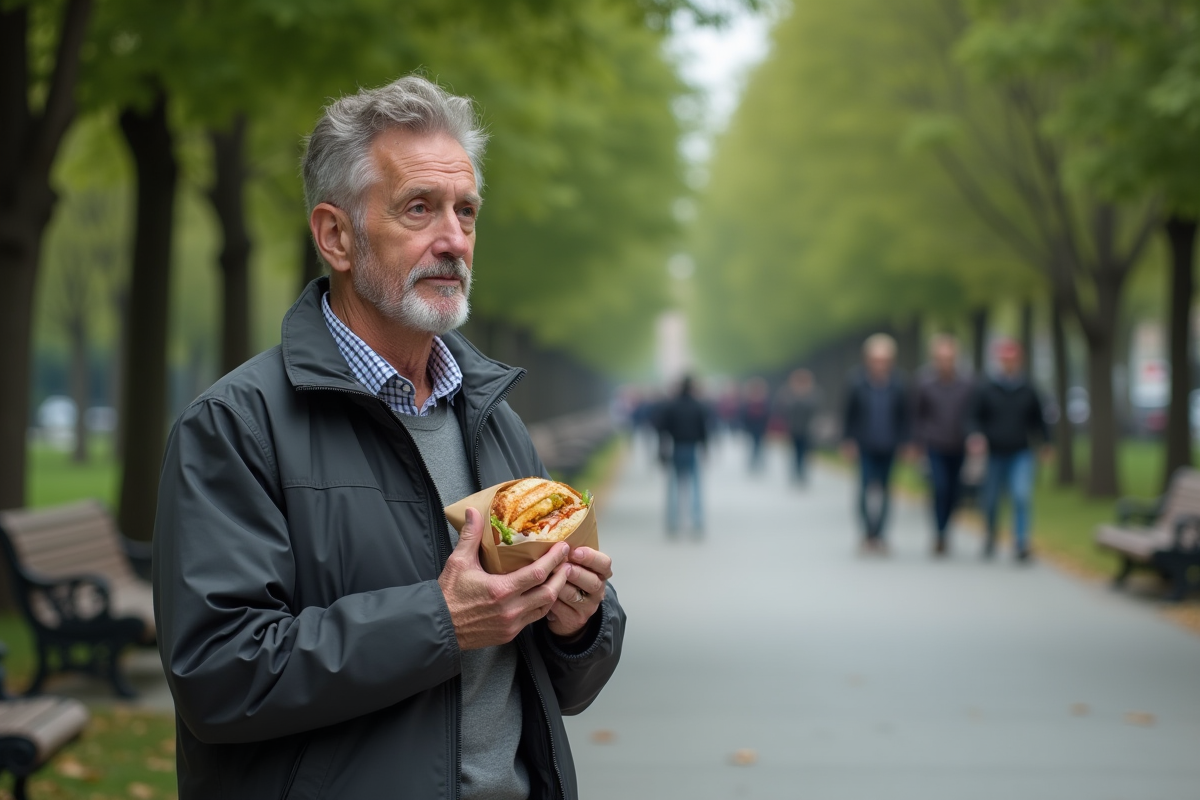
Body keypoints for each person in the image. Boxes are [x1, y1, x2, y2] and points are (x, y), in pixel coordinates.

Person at [152, 76, 626, 800]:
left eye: (466, 211)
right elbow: (219, 677)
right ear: (335, 236)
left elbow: (561, 686)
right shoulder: (235, 426)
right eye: (419, 209)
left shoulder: (493, 415)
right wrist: (439, 621)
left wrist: (580, 624)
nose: (454, 239)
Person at [967, 339, 1051, 562]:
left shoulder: (1028, 388)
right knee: (991, 499)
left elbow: (1040, 419)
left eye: (1012, 359)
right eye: (1005, 359)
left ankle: (1021, 542)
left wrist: (1046, 443)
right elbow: (973, 416)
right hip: (993, 452)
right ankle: (990, 535)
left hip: (1020, 452)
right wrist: (976, 435)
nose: (1008, 363)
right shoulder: (986, 388)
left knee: (1021, 495)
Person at [842, 334, 909, 552]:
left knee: (887, 490)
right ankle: (867, 532)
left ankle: (880, 533)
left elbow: (905, 416)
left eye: (884, 359)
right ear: (867, 359)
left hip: (890, 444)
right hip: (864, 444)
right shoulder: (856, 381)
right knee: (864, 489)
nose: (880, 363)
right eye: (876, 358)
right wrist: (848, 440)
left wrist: (906, 442)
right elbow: (848, 414)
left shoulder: (899, 383)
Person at [913, 335, 974, 555]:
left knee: (955, 491)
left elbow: (973, 413)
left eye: (949, 358)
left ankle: (946, 529)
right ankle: (939, 532)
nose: (945, 362)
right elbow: (918, 414)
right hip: (935, 443)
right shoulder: (925, 382)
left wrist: (973, 435)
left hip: (959, 445)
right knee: (940, 487)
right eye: (941, 358)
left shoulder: (967, 383)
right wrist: (918, 442)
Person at [655, 375, 709, 535]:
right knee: (695, 485)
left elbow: (662, 430)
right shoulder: (698, 406)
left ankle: (672, 521)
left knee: (673, 486)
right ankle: (697, 520)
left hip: (676, 447)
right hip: (692, 448)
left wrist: (661, 450)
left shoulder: (671, 406)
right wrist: (705, 448)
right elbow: (703, 430)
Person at [774, 368, 820, 485]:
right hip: (793, 428)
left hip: (807, 429)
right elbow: (782, 408)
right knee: (794, 453)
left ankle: (802, 473)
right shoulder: (788, 393)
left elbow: (815, 409)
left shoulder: (813, 393)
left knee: (805, 453)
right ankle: (795, 473)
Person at [741, 377, 771, 472]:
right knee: (755, 444)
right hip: (752, 425)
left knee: (758, 443)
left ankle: (757, 461)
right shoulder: (748, 399)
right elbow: (744, 413)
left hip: (761, 425)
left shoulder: (764, 399)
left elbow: (768, 413)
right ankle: (755, 461)